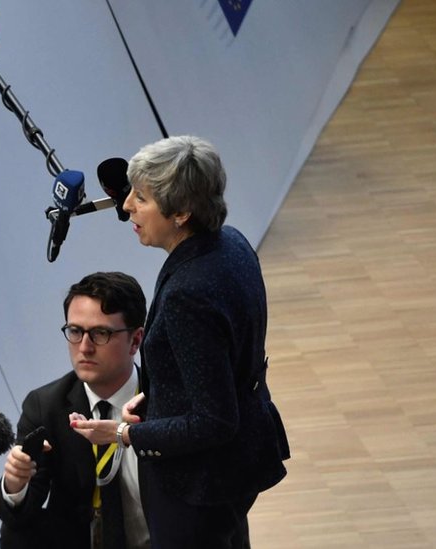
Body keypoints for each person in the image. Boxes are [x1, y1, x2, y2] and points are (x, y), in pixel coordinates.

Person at [70, 136, 291, 548]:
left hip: (199, 482)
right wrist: (155, 397)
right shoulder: (231, 244)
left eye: (142, 198)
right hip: (238, 461)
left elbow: (214, 420)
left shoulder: (189, 292)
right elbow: (217, 360)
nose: (126, 206)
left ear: (182, 213)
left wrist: (122, 434)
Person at [0, 272, 150, 549]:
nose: (85, 347)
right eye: (75, 331)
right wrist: (15, 485)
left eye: (101, 333)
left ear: (135, 341)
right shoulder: (45, 406)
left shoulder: (165, 397)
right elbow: (20, 514)